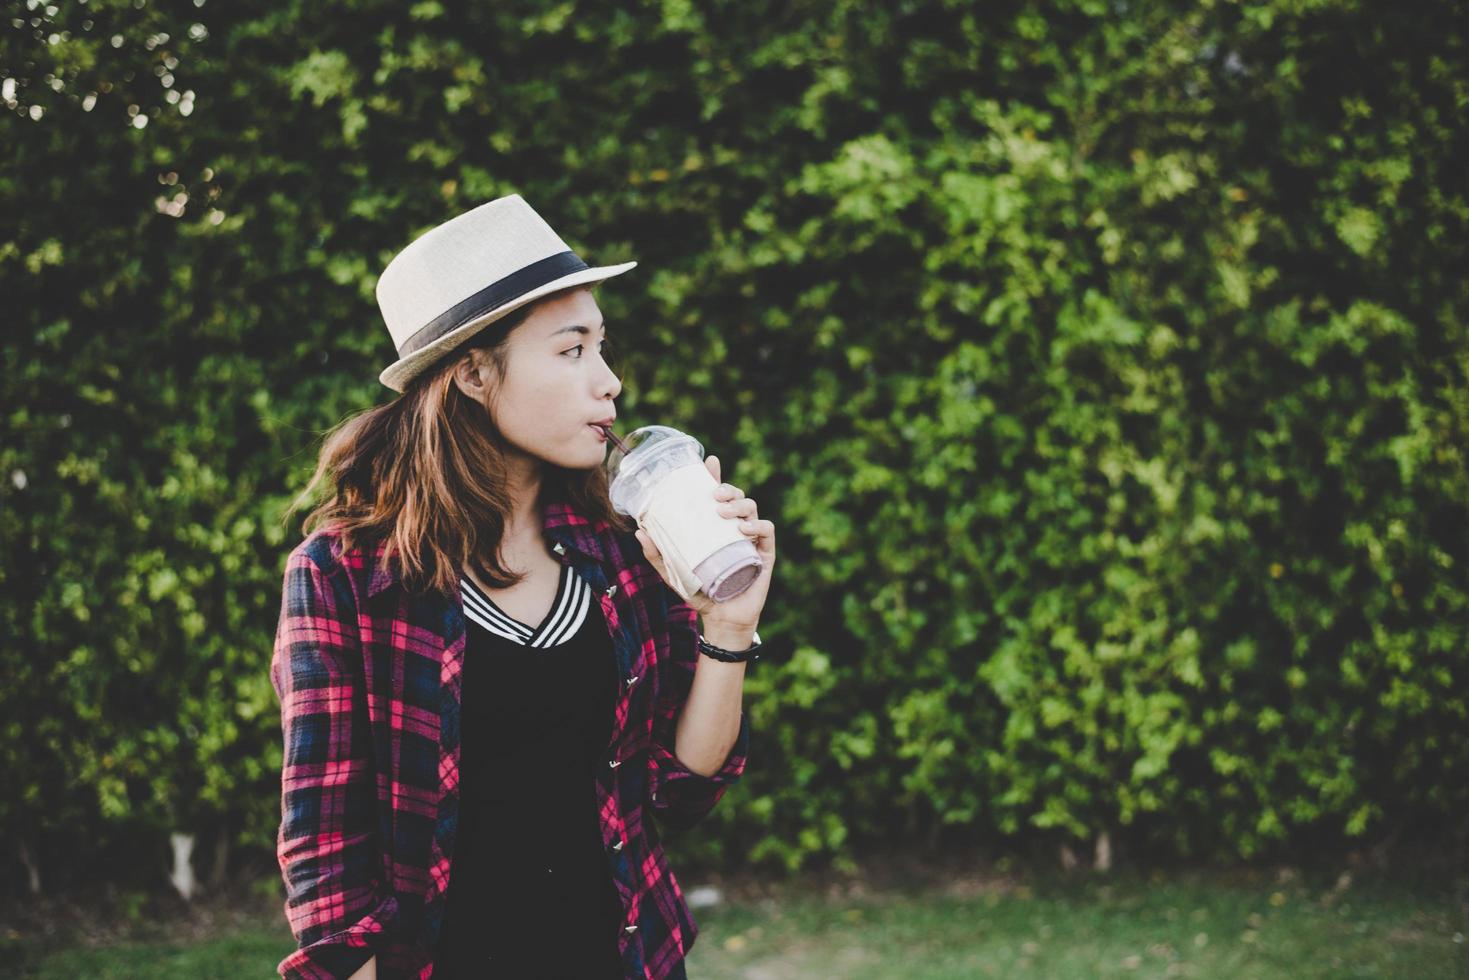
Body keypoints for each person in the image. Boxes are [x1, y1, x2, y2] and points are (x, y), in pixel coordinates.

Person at [269, 194, 776, 978]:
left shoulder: (618, 547)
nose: (608, 382)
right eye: (572, 351)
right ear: (472, 373)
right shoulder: (345, 576)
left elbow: (678, 791)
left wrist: (728, 628)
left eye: (602, 348)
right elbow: (328, 851)